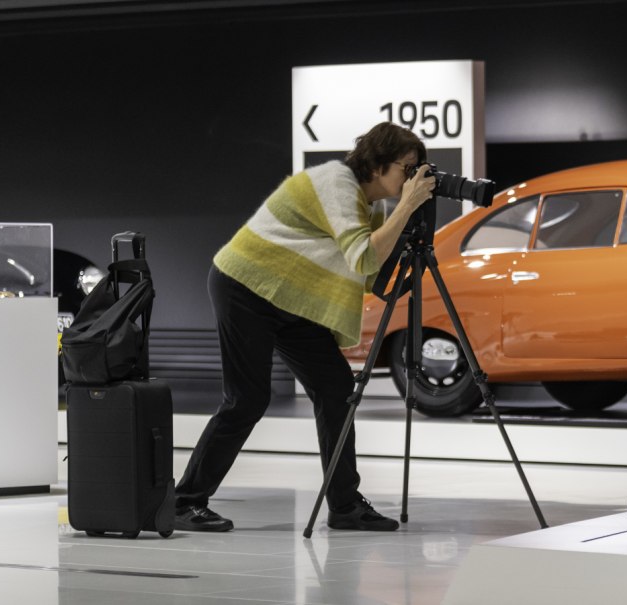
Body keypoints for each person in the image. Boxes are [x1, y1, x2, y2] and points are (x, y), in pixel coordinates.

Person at [174, 122, 434, 532]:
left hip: (292, 300)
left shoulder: (373, 207)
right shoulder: (335, 181)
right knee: (246, 399)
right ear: (379, 164)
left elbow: (370, 277)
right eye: (408, 167)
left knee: (335, 388)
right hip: (247, 286)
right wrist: (406, 207)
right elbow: (364, 258)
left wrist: (412, 247)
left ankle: (345, 506)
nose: (413, 177)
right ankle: (183, 502)